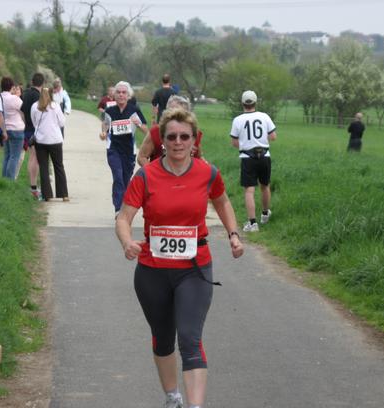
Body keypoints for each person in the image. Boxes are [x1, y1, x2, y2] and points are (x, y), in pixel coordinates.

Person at [116, 108, 244, 408]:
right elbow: (123, 217)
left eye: (184, 137)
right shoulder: (145, 175)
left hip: (194, 268)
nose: (178, 142)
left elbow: (223, 202)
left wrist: (234, 234)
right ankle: (172, 397)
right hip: (152, 271)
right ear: (162, 140)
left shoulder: (208, 173)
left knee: (189, 338)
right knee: (163, 338)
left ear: (194, 140)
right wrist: (127, 242)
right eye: (171, 136)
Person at [230, 90, 277, 233]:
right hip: (264, 156)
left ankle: (252, 223)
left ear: (242, 103)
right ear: (256, 102)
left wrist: (246, 144)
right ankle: (265, 214)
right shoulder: (264, 116)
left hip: (247, 158)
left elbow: (234, 142)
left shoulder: (237, 120)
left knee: (249, 191)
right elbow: (273, 136)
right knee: (265, 186)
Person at [100, 81, 148, 217]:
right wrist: (103, 133)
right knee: (118, 177)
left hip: (129, 151)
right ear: (114, 95)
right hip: (113, 149)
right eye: (118, 92)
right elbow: (105, 125)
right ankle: (118, 209)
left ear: (128, 95)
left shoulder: (134, 110)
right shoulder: (109, 110)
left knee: (126, 180)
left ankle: (124, 206)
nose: (121, 95)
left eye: (124, 92)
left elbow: (146, 130)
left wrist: (138, 124)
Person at [137, 95, 203, 167]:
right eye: (170, 111)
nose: (174, 116)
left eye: (179, 114)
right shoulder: (155, 132)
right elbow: (142, 157)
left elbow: (198, 157)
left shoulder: (194, 133)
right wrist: (153, 172)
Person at [31, 88, 69, 202]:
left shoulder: (35, 106)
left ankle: (47, 195)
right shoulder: (55, 106)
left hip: (41, 140)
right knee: (59, 166)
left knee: (44, 167)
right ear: (51, 94)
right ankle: (63, 194)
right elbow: (62, 122)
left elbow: (34, 122)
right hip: (55, 140)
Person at [21, 73, 45, 199]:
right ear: (43, 83)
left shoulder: (25, 94)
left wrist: (24, 123)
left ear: (32, 81)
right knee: (35, 158)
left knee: (31, 157)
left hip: (26, 129)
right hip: (36, 130)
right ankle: (33, 187)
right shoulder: (39, 96)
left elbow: (21, 111)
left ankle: (32, 185)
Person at [0, 76, 25, 180]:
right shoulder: (14, 99)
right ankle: (10, 180)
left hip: (5, 129)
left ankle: (4, 179)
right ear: (11, 87)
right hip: (16, 129)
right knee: (15, 157)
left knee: (7, 156)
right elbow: (24, 110)